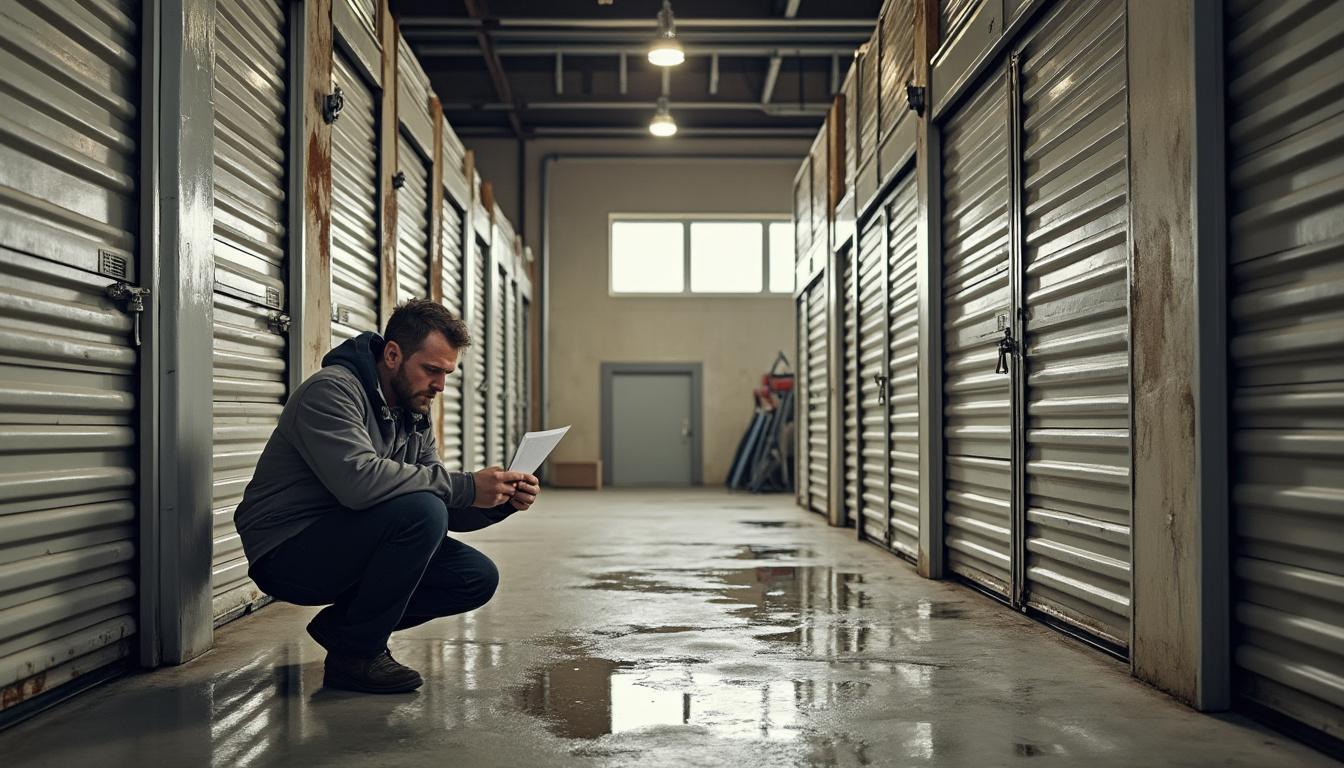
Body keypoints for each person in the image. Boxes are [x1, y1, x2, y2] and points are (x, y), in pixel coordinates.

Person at [233, 299, 540, 694]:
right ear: (393, 354)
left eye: (447, 373)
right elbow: (360, 483)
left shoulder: (413, 412)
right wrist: (466, 486)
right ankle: (358, 655)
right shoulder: (332, 392)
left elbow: (438, 498)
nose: (440, 386)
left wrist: (500, 501)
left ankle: (346, 632)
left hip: (349, 542)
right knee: (421, 509)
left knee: (474, 577)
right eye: (431, 370)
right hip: (288, 552)